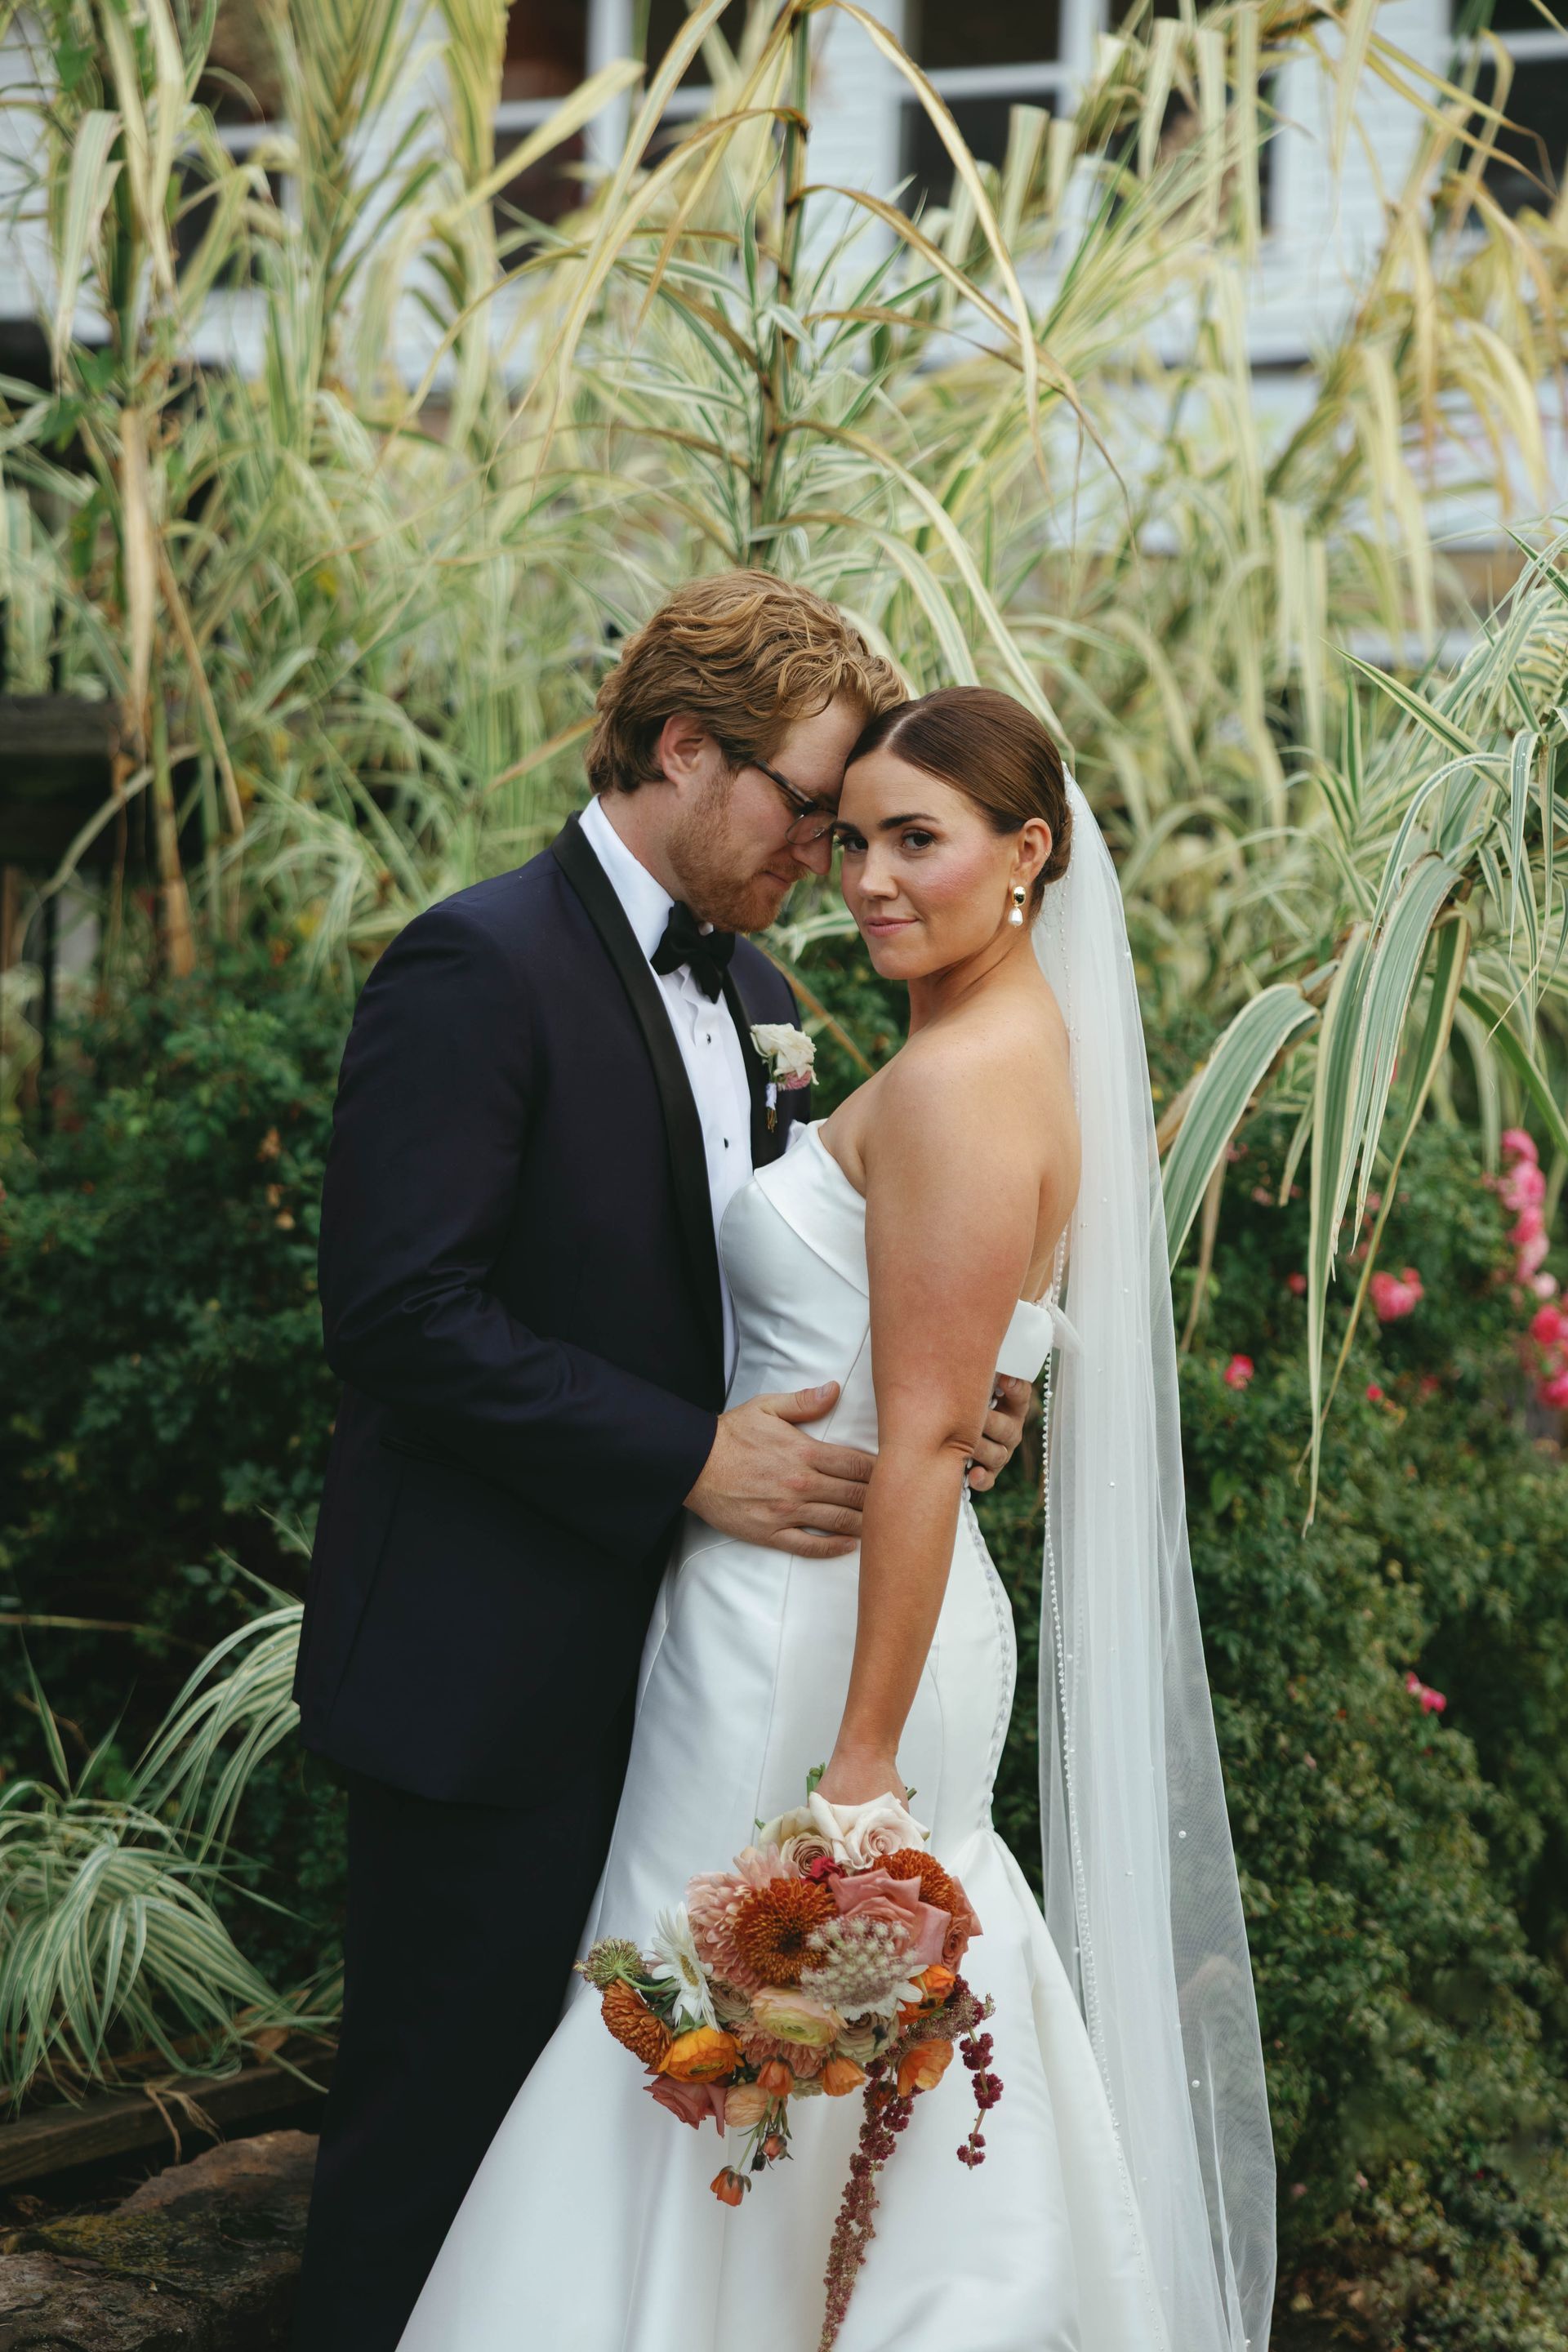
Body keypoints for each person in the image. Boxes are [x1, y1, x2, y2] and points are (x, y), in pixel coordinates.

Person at [396, 688, 1277, 2352]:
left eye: (914, 841)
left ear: (1029, 854)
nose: (864, 876)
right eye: (853, 836)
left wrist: (861, 1761)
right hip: (822, 1597)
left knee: (724, 2044)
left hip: (819, 1634)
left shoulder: (954, 1086)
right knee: (774, 2062)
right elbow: (955, 1371)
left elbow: (933, 1432)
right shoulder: (1004, 1046)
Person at [288, 580, 1034, 2352]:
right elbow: (399, 1313)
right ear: (682, 749)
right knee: (436, 2145)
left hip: (699, 1683)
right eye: (807, 808)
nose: (830, 859)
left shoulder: (765, 992)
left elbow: (784, 1284)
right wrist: (683, 1456)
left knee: (646, 2153)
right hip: (489, 1673)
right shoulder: (481, 962)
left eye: (862, 824)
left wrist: (955, 1404)